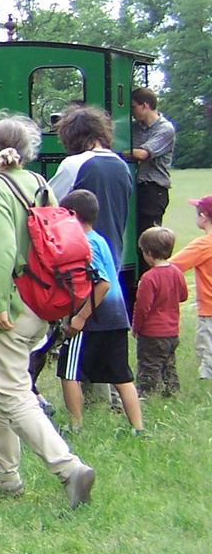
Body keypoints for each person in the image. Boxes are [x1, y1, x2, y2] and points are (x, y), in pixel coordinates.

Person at [0, 114, 95, 506]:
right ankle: (3, 476)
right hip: (43, 302)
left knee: (11, 393)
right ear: (28, 151)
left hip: (10, 303)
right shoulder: (40, 184)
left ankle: (69, 469)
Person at [52, 189, 144, 433]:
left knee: (69, 372)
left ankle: (75, 426)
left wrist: (80, 317)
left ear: (71, 214)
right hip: (116, 316)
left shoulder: (83, 243)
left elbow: (102, 283)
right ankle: (138, 428)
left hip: (93, 317)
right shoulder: (100, 238)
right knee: (121, 376)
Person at [47, 106, 131, 266]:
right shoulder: (122, 165)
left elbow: (48, 203)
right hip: (113, 256)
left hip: (83, 257)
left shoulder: (74, 164)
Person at [133, 226, 188, 397]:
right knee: (168, 364)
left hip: (152, 332)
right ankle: (171, 393)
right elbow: (184, 296)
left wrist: (136, 327)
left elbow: (142, 307)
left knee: (149, 366)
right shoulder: (176, 272)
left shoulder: (149, 278)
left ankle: (148, 395)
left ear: (148, 252)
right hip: (172, 331)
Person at [169, 195, 212, 381]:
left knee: (208, 350)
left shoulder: (203, 244)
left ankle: (206, 382)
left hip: (209, 310)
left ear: (203, 216)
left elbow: (170, 266)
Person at [129, 87, 175, 232]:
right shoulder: (134, 127)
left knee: (149, 235)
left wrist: (116, 152)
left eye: (133, 107)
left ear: (145, 105)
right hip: (136, 187)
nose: (131, 112)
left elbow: (143, 154)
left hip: (154, 189)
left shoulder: (165, 129)